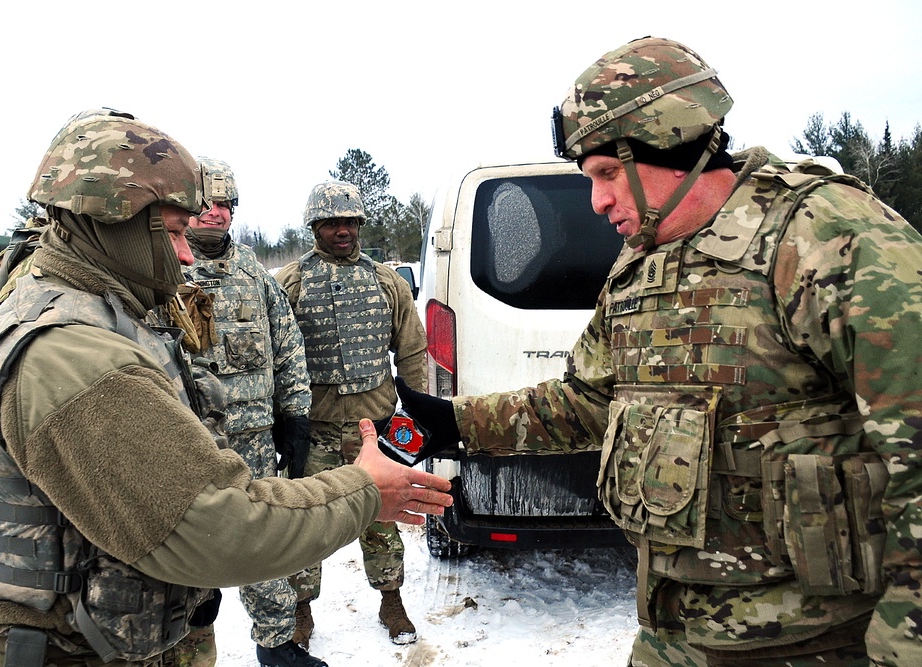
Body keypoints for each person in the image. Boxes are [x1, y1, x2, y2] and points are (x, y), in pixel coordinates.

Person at [395, 37, 922, 667]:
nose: (596, 202)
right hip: (674, 634)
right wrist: (452, 423)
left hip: (818, 646)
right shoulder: (644, 263)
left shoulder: (825, 238)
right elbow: (589, 399)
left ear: (667, 141)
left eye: (607, 174)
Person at [0, 108, 452, 667]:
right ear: (116, 219)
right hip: (57, 650)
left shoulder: (98, 310)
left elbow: (314, 351)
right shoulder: (71, 351)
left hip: (98, 636)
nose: (186, 254)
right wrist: (363, 490)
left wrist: (292, 413)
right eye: (176, 231)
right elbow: (217, 526)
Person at [183, 156, 324, 667]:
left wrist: (296, 417)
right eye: (205, 204)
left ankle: (276, 643)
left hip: (255, 441)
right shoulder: (160, 269)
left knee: (265, 539)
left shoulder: (254, 275)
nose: (216, 214)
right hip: (187, 440)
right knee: (189, 544)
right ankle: (189, 643)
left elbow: (287, 349)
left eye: (225, 205)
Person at [275, 181, 429, 647]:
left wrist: (415, 414)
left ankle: (392, 599)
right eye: (330, 223)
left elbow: (412, 350)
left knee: (382, 519)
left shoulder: (386, 281)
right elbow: (275, 356)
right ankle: (301, 609)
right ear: (315, 228)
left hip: (374, 428)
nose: (341, 230)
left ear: (359, 224)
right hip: (315, 428)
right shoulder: (289, 283)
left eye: (348, 222)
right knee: (306, 522)